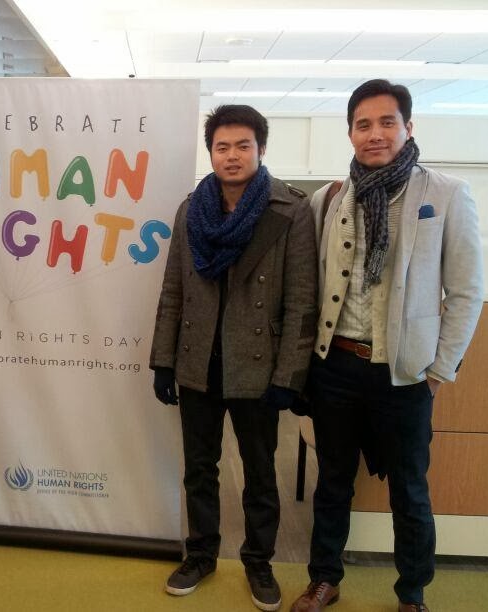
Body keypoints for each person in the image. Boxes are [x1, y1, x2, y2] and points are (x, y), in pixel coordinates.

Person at [289, 80, 484, 612]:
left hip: (405, 373)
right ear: (350, 133)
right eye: (363, 124)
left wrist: (439, 370)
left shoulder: (445, 194)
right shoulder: (329, 198)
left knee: (409, 490)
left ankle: (412, 593)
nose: (375, 133)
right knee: (333, 482)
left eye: (387, 122)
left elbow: (466, 291)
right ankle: (324, 579)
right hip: (335, 367)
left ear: (408, 127)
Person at [150, 105, 318, 611]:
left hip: (258, 365)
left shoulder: (289, 209)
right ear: (211, 153)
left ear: (260, 149)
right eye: (222, 147)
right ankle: (201, 555)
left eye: (243, 145)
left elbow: (302, 301)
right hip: (198, 360)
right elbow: (174, 290)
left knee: (260, 473)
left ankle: (258, 561)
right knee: (199, 469)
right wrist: (164, 360)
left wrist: (289, 375)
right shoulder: (192, 210)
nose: (232, 155)